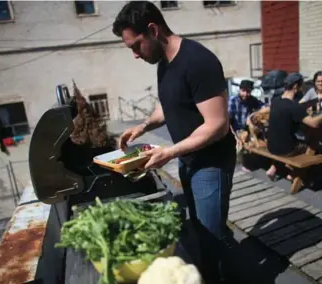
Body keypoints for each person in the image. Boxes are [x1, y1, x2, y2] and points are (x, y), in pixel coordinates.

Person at [112, 2, 236, 283]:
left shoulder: (197, 61)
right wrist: (142, 127)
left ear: (153, 30)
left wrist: (169, 152)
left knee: (211, 236)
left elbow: (217, 125)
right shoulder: (164, 62)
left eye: (135, 45)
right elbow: (168, 105)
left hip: (211, 164)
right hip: (187, 159)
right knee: (202, 229)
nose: (134, 54)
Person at [265, 73, 322, 180]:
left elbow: (298, 107)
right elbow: (314, 123)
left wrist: (317, 99)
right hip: (287, 151)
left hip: (271, 147)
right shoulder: (293, 106)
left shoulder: (276, 101)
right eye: (302, 85)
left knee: (284, 138)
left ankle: (274, 167)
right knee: (313, 143)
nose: (303, 87)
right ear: (296, 86)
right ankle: (294, 173)